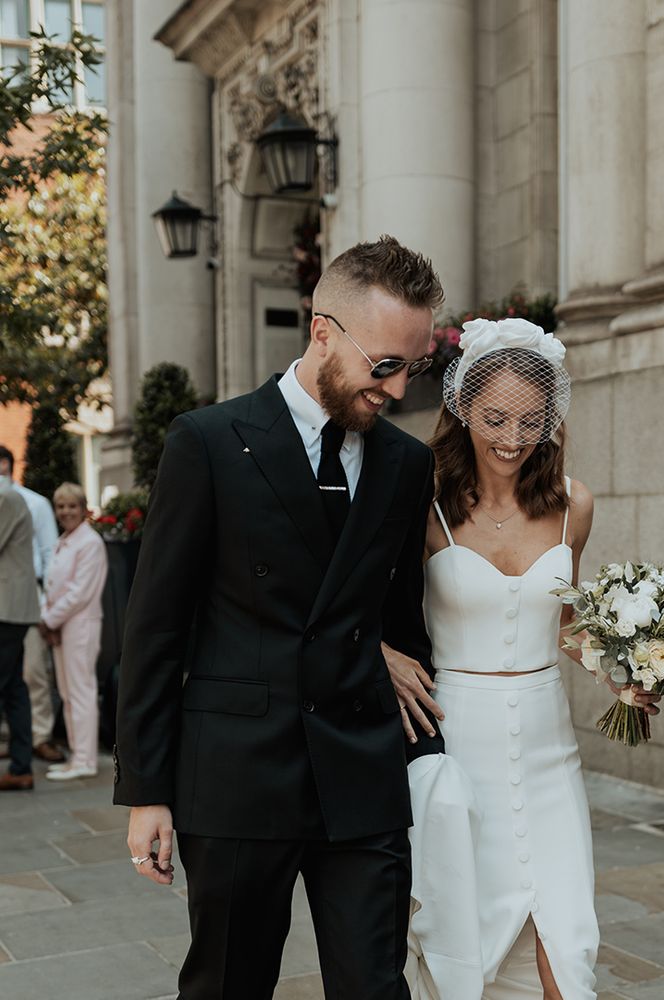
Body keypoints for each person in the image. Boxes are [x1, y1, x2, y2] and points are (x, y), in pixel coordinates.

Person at [113, 235, 445, 1000]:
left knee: (375, 987)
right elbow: (155, 626)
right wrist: (147, 791)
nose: (396, 392)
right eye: (384, 366)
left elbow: (403, 626)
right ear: (322, 331)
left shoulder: (405, 464)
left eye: (412, 368)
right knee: (228, 986)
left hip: (361, 776)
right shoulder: (208, 442)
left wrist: (396, 675)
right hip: (236, 776)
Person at [394, 318, 659, 1000]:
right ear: (462, 409)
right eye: (496, 418)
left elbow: (566, 626)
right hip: (460, 741)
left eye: (531, 421)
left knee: (564, 931)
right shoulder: (424, 505)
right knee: (467, 934)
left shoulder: (574, 504)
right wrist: (385, 655)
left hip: (549, 745)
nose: (512, 438)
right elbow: (373, 608)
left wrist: (623, 681)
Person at [38, 482, 109, 781]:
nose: (66, 511)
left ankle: (85, 760)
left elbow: (80, 592)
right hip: (61, 626)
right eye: (61, 506)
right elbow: (51, 586)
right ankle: (75, 757)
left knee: (81, 692)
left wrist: (49, 620)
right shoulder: (63, 540)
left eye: (71, 506)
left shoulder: (90, 543)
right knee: (67, 693)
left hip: (81, 626)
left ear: (83, 509)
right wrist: (48, 618)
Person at [0, 445, 63, 764]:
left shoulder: (19, 500)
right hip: (13, 603)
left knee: (30, 676)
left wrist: (49, 604)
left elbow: (50, 552)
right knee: (14, 684)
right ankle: (20, 756)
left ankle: (36, 742)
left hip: (17, 602)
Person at [0, 473, 40, 791]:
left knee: (10, 688)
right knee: (14, 688)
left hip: (7, 610)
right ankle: (21, 766)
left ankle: (21, 765)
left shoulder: (6, 498)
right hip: (12, 609)